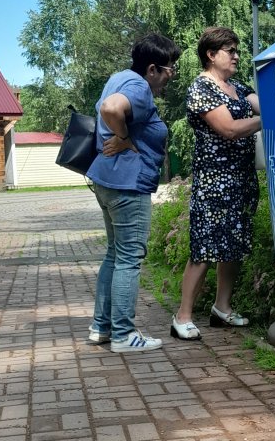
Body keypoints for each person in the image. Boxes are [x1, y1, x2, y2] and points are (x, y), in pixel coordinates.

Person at [87, 31, 181, 353]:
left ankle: (102, 327)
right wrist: (125, 136)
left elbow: (106, 104)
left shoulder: (119, 77)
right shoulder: (139, 87)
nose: (170, 77)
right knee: (129, 259)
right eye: (169, 70)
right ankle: (124, 335)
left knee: (114, 254)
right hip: (127, 183)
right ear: (152, 68)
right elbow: (112, 109)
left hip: (106, 180)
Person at [171, 26, 262, 340]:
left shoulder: (237, 86)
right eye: (230, 51)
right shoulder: (202, 87)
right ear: (211, 55)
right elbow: (230, 130)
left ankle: (221, 308)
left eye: (237, 50)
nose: (237, 56)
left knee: (233, 246)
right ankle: (182, 316)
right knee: (205, 248)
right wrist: (273, 117)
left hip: (241, 179)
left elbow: (261, 104)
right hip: (214, 182)